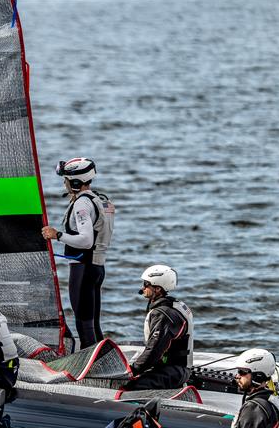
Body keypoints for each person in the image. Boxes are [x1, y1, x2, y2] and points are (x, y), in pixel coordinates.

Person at [41, 157, 113, 349]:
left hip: (83, 269)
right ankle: (101, 361)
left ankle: (91, 369)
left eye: (66, 180)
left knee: (84, 324)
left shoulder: (82, 204)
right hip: (96, 268)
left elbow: (86, 240)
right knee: (92, 323)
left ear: (75, 182)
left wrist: (57, 235)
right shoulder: (98, 199)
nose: (64, 184)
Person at [122, 265, 193, 391]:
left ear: (158, 289)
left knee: (127, 387)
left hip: (173, 372)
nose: (142, 288)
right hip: (174, 369)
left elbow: (154, 350)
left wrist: (132, 371)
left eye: (146, 284)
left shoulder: (163, 315)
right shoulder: (174, 305)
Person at [230, 349, 279, 428]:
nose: (237, 376)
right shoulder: (277, 401)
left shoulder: (254, 408)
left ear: (258, 376)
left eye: (242, 372)